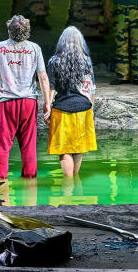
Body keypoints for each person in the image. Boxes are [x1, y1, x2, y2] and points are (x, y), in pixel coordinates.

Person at [0, 16, 51, 179]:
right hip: (28, 102)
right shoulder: (35, 48)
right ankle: (30, 184)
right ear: (27, 32)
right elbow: (43, 77)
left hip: (5, 103)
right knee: (28, 145)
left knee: (1, 145)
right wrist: (47, 102)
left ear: (9, 30)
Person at [45, 26, 97, 177]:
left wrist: (47, 106)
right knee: (78, 147)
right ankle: (74, 182)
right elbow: (92, 87)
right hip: (83, 107)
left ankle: (68, 188)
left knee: (64, 149)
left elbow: (52, 87)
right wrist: (91, 109)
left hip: (62, 109)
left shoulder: (54, 61)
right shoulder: (86, 61)